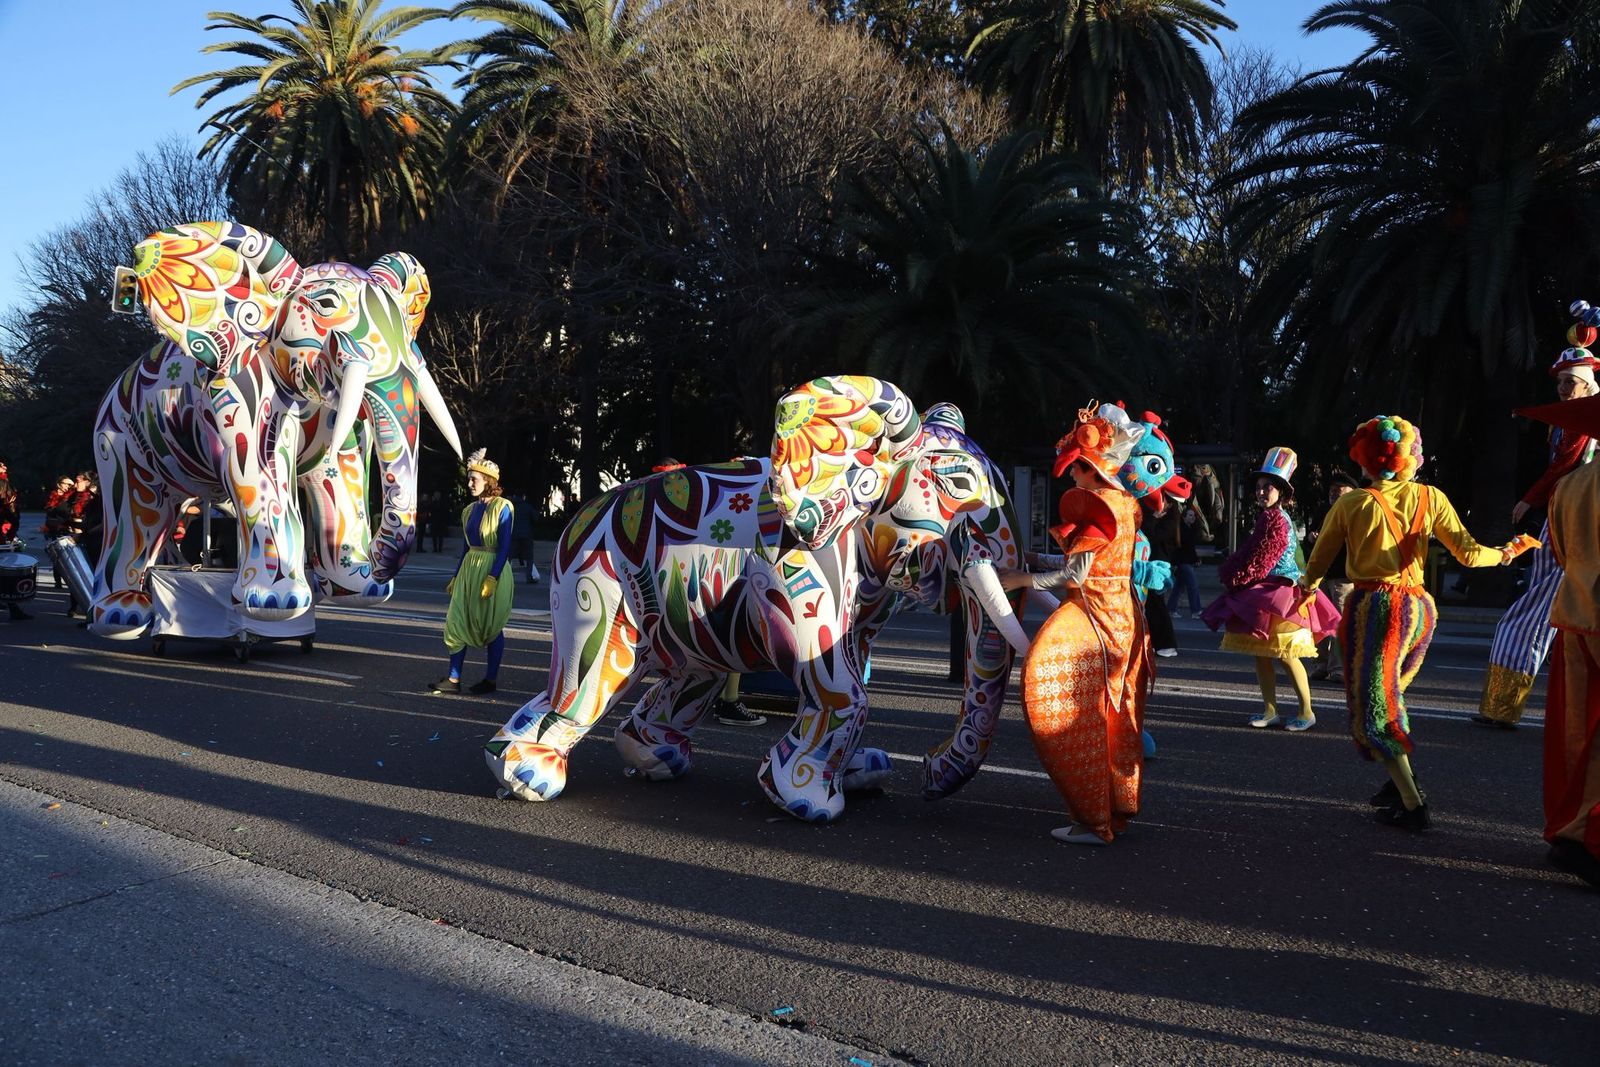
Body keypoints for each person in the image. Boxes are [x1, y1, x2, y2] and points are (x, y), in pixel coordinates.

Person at [1298, 415, 1520, 832]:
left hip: (1376, 610)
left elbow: (1319, 560)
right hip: (1420, 610)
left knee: (1374, 708)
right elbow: (1471, 555)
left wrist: (1306, 591)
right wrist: (1507, 552)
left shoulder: (1352, 503)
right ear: (1409, 459)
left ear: (1365, 461)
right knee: (1389, 696)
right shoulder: (1430, 497)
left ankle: (1414, 805)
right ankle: (1398, 781)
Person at [999, 401, 1148, 845]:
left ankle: (1092, 820)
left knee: (1072, 716)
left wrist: (1020, 576)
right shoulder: (1124, 502)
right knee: (1115, 717)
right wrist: (1033, 559)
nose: (1071, 476)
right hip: (1123, 618)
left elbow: (1075, 574)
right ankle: (1116, 809)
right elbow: (1092, 562)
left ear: (1088, 465)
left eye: (1075, 469)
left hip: (1094, 622)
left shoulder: (1097, 504)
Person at [1475, 344, 1599, 729]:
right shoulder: (1570, 435)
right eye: (1561, 382)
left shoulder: (1580, 458)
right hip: (1568, 523)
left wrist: (1530, 500)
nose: (1563, 389)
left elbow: (1564, 465)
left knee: (1528, 619)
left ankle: (1503, 706)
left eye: (1571, 382)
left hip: (1575, 527)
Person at [1517, 382, 1600, 889]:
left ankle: (1573, 828)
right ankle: (1587, 833)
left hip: (1575, 613)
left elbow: (1564, 555)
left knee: (1577, 731)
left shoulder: (1569, 486)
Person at [1202, 448, 1340, 732]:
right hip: (1265, 592)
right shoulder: (1268, 517)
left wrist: (1238, 576)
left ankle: (1306, 711)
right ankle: (1270, 709)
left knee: (1287, 653)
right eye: (1259, 487)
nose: (1262, 492)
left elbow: (1264, 556)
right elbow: (1254, 553)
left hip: (1280, 593)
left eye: (1269, 488)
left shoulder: (1276, 518)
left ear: (1282, 492)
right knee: (1263, 654)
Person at [430, 450, 515, 695]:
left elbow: (505, 546)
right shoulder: (468, 510)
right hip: (469, 569)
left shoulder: (503, 507)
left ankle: (490, 679)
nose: (469, 484)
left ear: (488, 481)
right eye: (468, 479)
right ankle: (453, 679)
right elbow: (466, 547)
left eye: (473, 479)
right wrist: (456, 575)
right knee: (455, 622)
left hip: (492, 568)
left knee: (491, 626)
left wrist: (493, 577)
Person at [1309, 471, 1360, 682]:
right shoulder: (1323, 510)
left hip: (1343, 577)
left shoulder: (1355, 511)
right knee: (1319, 622)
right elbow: (1313, 538)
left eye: (1338, 489)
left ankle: (1338, 668)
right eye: (1331, 489)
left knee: (1340, 622)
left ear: (1351, 492)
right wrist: (1312, 538)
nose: (1333, 493)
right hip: (1322, 575)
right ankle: (1321, 664)